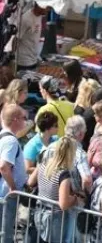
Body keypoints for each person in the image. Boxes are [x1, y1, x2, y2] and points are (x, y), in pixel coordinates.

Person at [30, 136, 81, 243]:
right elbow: (63, 204)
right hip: (54, 218)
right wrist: (75, 199)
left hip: (39, 211)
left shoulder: (44, 163)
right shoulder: (63, 175)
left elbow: (30, 182)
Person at [0, 104, 28, 243]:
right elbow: (4, 167)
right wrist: (13, 188)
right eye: (24, 118)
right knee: (5, 233)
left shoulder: (3, 137)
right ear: (16, 119)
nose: (26, 121)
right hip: (6, 195)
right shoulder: (10, 141)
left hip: (4, 194)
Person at [16, 1, 47, 71]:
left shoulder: (40, 16)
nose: (48, 10)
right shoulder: (25, 19)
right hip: (24, 61)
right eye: (47, 7)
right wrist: (13, 56)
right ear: (39, 5)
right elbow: (17, 38)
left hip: (34, 58)